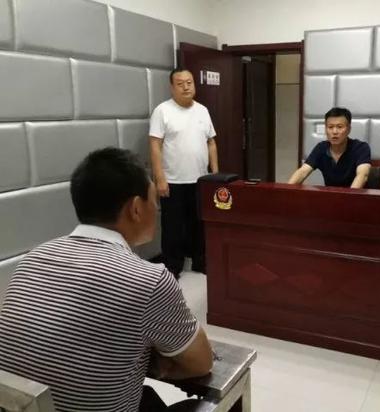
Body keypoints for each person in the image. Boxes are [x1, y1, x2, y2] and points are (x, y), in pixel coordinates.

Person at [0, 148, 213, 412]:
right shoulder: (149, 280)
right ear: (136, 208)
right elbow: (201, 363)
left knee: (146, 395)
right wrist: (159, 365)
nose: (157, 208)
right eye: (154, 200)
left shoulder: (33, 259)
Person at [149, 68, 218, 276]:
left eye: (189, 82)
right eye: (180, 84)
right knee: (173, 227)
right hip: (173, 181)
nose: (186, 87)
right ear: (172, 87)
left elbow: (211, 143)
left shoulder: (202, 110)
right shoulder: (162, 111)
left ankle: (200, 261)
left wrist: (215, 175)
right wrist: (160, 178)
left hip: (200, 180)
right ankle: (172, 267)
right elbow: (155, 145)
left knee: (199, 224)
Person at [288, 107, 371, 188]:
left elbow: (362, 175)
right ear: (326, 129)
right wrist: (286, 191)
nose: (334, 132)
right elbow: (302, 172)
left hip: (356, 195)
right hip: (331, 196)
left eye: (339, 127)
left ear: (349, 129)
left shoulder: (361, 148)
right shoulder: (321, 148)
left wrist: (348, 196)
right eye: (330, 127)